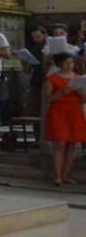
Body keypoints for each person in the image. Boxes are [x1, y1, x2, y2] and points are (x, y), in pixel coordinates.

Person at [44, 52, 86, 186]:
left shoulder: (79, 78)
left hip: (74, 111)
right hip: (59, 111)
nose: (70, 65)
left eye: (72, 63)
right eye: (67, 62)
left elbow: (83, 100)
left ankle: (65, 174)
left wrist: (82, 94)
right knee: (60, 143)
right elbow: (48, 99)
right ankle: (57, 175)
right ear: (60, 63)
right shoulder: (52, 78)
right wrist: (61, 92)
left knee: (72, 144)